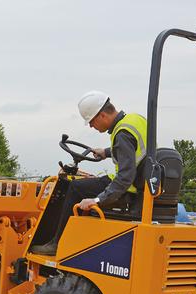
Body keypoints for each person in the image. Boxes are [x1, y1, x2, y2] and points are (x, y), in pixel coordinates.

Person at [30, 91, 148, 255]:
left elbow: (125, 177)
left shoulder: (121, 134)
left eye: (91, 122)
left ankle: (56, 244)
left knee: (75, 187)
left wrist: (98, 200)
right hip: (142, 187)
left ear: (102, 115)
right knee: (85, 185)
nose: (92, 126)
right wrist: (106, 152)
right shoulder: (135, 120)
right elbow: (135, 151)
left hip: (128, 190)